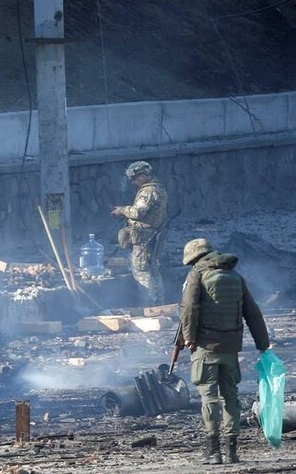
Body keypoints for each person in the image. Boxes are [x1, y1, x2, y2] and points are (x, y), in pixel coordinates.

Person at [175, 238, 270, 464]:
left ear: (195, 259)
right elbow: (253, 312)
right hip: (230, 347)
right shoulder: (236, 277)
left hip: (205, 347)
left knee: (209, 398)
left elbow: (188, 308)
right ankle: (232, 451)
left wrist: (188, 337)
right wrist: (263, 344)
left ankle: (213, 451)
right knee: (231, 397)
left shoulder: (196, 275)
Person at [111, 160, 169, 305]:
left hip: (144, 237)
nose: (133, 182)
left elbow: (138, 212)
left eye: (135, 178)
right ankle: (159, 303)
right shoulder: (159, 188)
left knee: (141, 270)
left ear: (143, 175)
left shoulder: (148, 191)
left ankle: (149, 303)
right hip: (152, 235)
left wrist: (122, 210)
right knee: (153, 269)